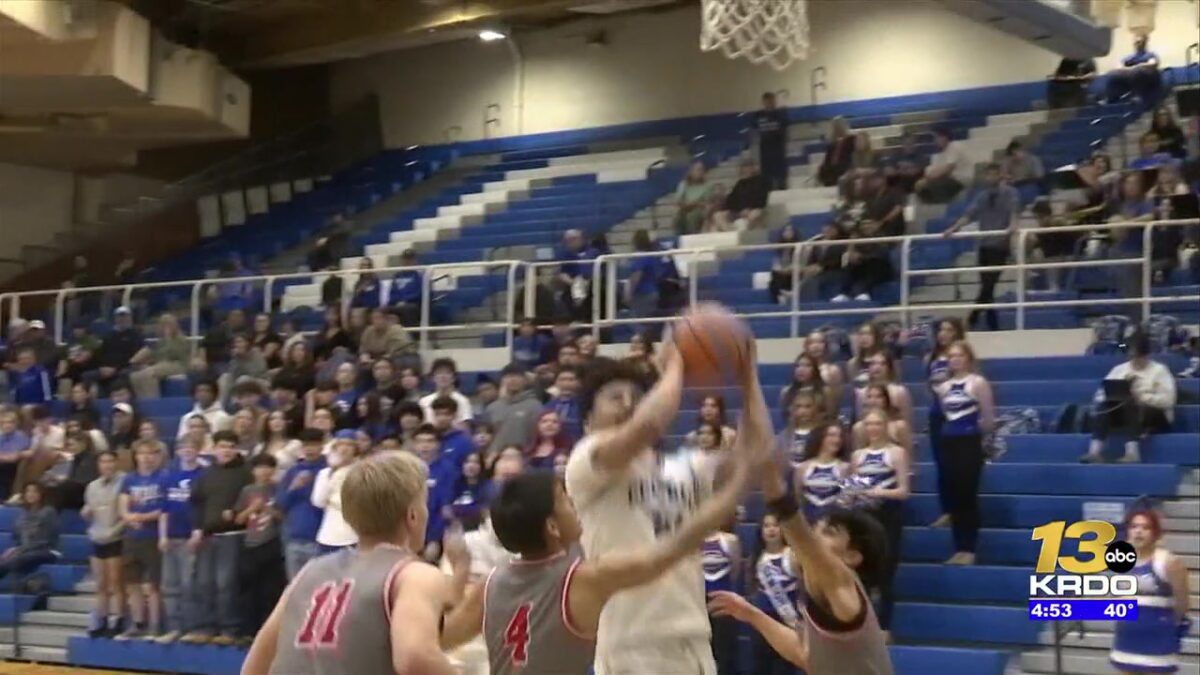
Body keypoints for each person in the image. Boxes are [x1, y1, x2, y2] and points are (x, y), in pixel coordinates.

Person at [440, 404, 757, 675]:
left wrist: (460, 573)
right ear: (551, 526)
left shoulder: (491, 584)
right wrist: (740, 479)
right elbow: (669, 551)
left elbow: (441, 638)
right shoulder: (582, 579)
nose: (574, 504)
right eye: (564, 499)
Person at [562, 322, 746, 675]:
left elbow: (756, 458)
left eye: (637, 398)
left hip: (693, 639)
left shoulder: (685, 467)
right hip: (632, 642)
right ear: (587, 421)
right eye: (615, 398)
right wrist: (677, 363)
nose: (629, 405)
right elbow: (647, 426)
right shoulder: (587, 460)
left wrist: (747, 379)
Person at [707, 348, 893, 674]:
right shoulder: (825, 598)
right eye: (821, 525)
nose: (817, 531)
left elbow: (790, 518)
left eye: (831, 531)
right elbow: (804, 654)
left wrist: (749, 381)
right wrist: (750, 613)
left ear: (852, 557)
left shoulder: (840, 580)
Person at [242, 453, 465, 675]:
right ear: (413, 516)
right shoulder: (414, 574)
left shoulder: (310, 571)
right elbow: (416, 657)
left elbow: (257, 660)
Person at [185, 430, 252, 645]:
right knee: (204, 583)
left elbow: (255, 499)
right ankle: (205, 627)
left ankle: (229, 629)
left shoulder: (245, 473)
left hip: (233, 535)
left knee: (226, 584)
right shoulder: (206, 474)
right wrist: (197, 529)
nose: (227, 450)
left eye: (231, 446)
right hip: (207, 536)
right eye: (223, 446)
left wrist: (237, 512)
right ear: (214, 449)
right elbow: (196, 504)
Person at [932, 341, 994, 566]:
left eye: (959, 355)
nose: (955, 359)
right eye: (951, 356)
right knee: (954, 496)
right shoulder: (943, 387)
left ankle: (969, 548)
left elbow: (987, 418)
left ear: (968, 358)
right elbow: (944, 416)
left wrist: (977, 437)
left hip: (969, 442)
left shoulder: (978, 383)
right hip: (949, 442)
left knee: (967, 495)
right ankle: (958, 547)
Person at [1109, 508, 1191, 674]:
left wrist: (1165, 625)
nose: (1138, 531)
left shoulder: (1168, 562)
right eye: (1134, 526)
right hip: (1127, 640)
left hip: (1157, 641)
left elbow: (1182, 603)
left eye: (1145, 527)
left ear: (1155, 533)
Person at [850, 410, 910, 633]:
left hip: (888, 515)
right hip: (864, 516)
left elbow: (904, 491)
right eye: (869, 424)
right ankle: (862, 626)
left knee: (885, 571)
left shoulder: (897, 453)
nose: (873, 428)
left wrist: (877, 493)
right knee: (862, 571)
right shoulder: (857, 456)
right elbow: (854, 488)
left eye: (877, 424)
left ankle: (884, 627)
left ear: (886, 426)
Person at [943, 163, 1018, 331]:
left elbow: (1014, 213)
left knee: (989, 285)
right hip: (984, 245)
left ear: (999, 175)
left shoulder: (1010, 193)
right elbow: (969, 215)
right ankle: (994, 326)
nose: (990, 177)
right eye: (988, 174)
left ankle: (971, 319)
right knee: (987, 286)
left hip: (1000, 245)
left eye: (994, 174)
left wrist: (1013, 226)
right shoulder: (982, 196)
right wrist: (953, 228)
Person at [1081, 332, 1176, 464]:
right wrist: (1110, 398)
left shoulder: (1159, 370)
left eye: (1138, 356)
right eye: (1132, 356)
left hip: (1153, 415)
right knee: (1104, 407)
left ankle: (1132, 453)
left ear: (1146, 355)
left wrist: (1142, 397)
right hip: (1122, 412)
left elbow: (1168, 400)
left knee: (1131, 404)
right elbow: (1100, 394)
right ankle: (1094, 452)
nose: (1135, 360)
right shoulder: (1119, 370)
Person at [116, 440, 166, 640]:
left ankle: (155, 625)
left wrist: (141, 518)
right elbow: (122, 505)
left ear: (156, 456)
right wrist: (128, 517)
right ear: (135, 456)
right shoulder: (129, 479)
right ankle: (137, 623)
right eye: (142, 453)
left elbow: (164, 509)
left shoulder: (163, 478)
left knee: (154, 584)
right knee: (132, 583)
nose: (146, 457)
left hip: (152, 537)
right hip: (132, 537)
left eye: (150, 453)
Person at [158, 440, 205, 644]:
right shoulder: (170, 477)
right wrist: (162, 535)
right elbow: (164, 510)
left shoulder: (203, 476)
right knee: (170, 585)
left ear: (197, 450)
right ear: (177, 452)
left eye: (191, 448)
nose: (187, 451)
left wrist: (199, 531)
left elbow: (205, 507)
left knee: (189, 585)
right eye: (184, 448)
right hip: (171, 537)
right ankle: (174, 627)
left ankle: (191, 627)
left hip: (191, 537)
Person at [235, 453, 285, 641]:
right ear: (253, 470)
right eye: (260, 467)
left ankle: (268, 632)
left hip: (272, 543)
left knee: (270, 590)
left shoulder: (278, 489)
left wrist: (267, 508)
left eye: (268, 467)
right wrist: (251, 509)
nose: (264, 471)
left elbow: (284, 517)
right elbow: (239, 519)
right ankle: (248, 631)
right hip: (251, 544)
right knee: (249, 590)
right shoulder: (247, 490)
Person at [82, 450, 125, 638]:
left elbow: (127, 513)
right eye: (103, 462)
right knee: (101, 583)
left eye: (110, 461)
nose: (107, 465)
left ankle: (120, 618)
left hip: (116, 536)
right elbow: (90, 508)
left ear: (116, 463)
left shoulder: (125, 482)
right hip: (98, 536)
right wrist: (86, 512)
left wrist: (114, 530)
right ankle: (102, 618)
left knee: (116, 582)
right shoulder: (92, 486)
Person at [751, 513, 800, 675]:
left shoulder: (792, 554)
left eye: (775, 525)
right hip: (763, 620)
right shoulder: (758, 558)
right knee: (761, 666)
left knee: (785, 667)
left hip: (787, 621)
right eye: (766, 526)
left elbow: (804, 586)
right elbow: (753, 586)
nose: (771, 529)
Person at [276, 429, 327, 580]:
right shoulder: (293, 471)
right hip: (293, 540)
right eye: (306, 445)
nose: (310, 449)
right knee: (294, 587)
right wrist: (293, 487)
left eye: (314, 445)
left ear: (322, 446)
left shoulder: (328, 470)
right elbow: (281, 503)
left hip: (319, 540)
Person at [703, 520, 742, 675]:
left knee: (724, 653)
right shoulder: (693, 542)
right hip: (701, 603)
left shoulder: (730, 540)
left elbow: (735, 570)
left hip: (723, 600)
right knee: (705, 652)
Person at [312, 430, 361, 553]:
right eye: (341, 444)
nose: (344, 448)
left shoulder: (362, 471)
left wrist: (333, 500)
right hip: (328, 536)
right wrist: (332, 471)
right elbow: (318, 501)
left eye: (349, 445)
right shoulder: (325, 473)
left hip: (353, 537)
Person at [0, 483, 59, 581]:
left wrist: (21, 550)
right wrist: (15, 549)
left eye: (34, 491)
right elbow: (18, 537)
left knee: (18, 559)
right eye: (28, 491)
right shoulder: (22, 515)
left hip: (45, 551)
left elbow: (44, 541)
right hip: (26, 551)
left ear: (41, 494)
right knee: (13, 557)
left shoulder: (48, 512)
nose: (30, 494)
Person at [796, 424, 849, 524]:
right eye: (832, 435)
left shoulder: (845, 468)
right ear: (820, 438)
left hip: (835, 522)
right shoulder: (803, 468)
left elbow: (848, 502)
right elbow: (797, 500)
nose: (837, 440)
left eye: (839, 436)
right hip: (808, 522)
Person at [486, 363, 543, 455]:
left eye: (517, 376)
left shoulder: (535, 406)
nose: (512, 380)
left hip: (525, 459)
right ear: (502, 380)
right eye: (508, 376)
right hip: (496, 460)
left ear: (525, 380)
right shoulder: (492, 408)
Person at [129, 314, 190, 400]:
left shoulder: (181, 339)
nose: (165, 327)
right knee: (135, 376)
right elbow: (158, 356)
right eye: (163, 325)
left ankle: (153, 400)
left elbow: (173, 354)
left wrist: (168, 337)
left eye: (168, 324)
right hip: (162, 365)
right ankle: (143, 400)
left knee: (148, 373)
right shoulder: (160, 341)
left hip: (178, 364)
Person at [852, 384, 914, 458]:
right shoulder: (859, 428)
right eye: (869, 397)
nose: (873, 401)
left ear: (886, 400)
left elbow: (908, 457)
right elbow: (858, 456)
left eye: (878, 396)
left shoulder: (899, 426)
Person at [916, 127, 970, 204]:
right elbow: (936, 169)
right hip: (950, 179)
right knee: (921, 185)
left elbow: (949, 168)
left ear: (944, 137)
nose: (935, 141)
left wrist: (930, 178)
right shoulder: (943, 153)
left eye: (937, 138)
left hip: (960, 179)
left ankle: (942, 206)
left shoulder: (954, 146)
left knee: (935, 184)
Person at [714, 160, 769, 231]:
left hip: (755, 209)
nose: (746, 170)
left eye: (749, 167)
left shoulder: (761, 181)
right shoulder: (740, 183)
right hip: (739, 211)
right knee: (718, 215)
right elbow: (731, 201)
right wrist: (740, 210)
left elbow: (762, 199)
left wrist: (749, 208)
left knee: (754, 214)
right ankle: (731, 233)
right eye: (745, 167)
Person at [1107, 35, 1162, 105]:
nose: (1138, 44)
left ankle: (1137, 95)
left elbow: (1153, 64)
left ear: (1145, 43)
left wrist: (1137, 67)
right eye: (1136, 42)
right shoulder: (1130, 57)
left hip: (1148, 77)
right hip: (1131, 74)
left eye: (1140, 42)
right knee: (1112, 74)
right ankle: (1112, 101)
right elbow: (1119, 66)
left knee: (1138, 71)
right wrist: (1129, 69)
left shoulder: (1150, 54)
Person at [419, 358, 473, 425]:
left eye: (447, 373)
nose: (443, 376)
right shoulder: (424, 402)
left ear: (454, 377)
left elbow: (465, 427)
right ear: (432, 378)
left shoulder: (462, 401)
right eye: (439, 373)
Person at [779, 391, 826, 468]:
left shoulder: (822, 434)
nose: (803, 411)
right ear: (792, 409)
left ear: (815, 408)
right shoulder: (784, 436)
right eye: (798, 406)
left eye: (808, 406)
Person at [755, 92, 789, 190]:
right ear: (763, 102)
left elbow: (785, 132)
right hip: (765, 154)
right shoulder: (758, 115)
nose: (770, 103)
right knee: (767, 182)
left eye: (772, 101)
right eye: (767, 101)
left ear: (775, 101)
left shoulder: (781, 115)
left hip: (779, 153)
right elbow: (754, 131)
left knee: (781, 181)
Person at [674, 160, 716, 236]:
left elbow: (708, 202)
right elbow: (678, 201)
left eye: (701, 170)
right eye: (697, 170)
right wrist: (687, 205)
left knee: (692, 215)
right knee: (677, 216)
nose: (699, 172)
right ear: (691, 172)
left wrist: (695, 204)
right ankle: (678, 238)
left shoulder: (708, 186)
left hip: (699, 210)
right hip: (685, 208)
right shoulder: (683, 184)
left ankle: (692, 236)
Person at [0, 409, 31, 504]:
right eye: (3, 423)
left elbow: (13, 458)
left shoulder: (21, 437)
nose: (7, 425)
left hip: (11, 469)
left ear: (15, 424)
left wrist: (4, 457)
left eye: (10, 422)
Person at [817, 117, 855, 188]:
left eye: (839, 126)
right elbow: (827, 161)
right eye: (835, 126)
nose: (838, 129)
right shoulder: (832, 145)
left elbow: (853, 156)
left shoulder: (852, 140)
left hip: (845, 169)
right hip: (832, 171)